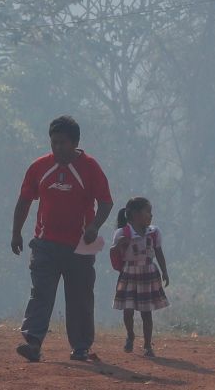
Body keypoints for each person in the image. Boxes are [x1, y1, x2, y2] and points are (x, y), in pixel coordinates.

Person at [12, 115, 113, 362]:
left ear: (75, 142)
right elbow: (25, 200)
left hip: (80, 246)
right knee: (41, 294)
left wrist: (94, 226)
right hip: (45, 243)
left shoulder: (90, 167)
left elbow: (106, 202)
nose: (58, 148)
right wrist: (16, 232)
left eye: (63, 143)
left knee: (79, 298)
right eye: (54, 143)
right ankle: (33, 342)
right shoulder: (39, 167)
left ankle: (80, 348)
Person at [112, 196, 169, 358]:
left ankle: (147, 345)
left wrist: (164, 271)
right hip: (129, 273)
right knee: (128, 309)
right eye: (147, 212)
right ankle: (130, 334)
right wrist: (119, 244)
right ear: (135, 214)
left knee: (146, 311)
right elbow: (114, 253)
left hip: (148, 273)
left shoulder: (153, 232)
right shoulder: (122, 233)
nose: (151, 215)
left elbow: (158, 251)